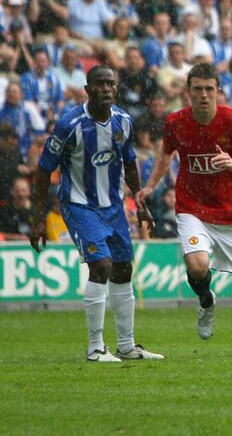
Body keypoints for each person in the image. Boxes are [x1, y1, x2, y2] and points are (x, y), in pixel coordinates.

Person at [135, 63, 232, 358]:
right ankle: (206, 300)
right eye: (198, 89)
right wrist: (150, 186)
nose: (204, 95)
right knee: (197, 266)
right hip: (192, 207)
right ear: (188, 92)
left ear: (217, 91)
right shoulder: (175, 122)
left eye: (210, 89)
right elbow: (166, 154)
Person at [29, 66, 163, 362]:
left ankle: (126, 345)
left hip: (113, 207)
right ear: (87, 90)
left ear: (116, 89)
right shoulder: (70, 125)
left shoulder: (124, 121)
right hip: (79, 205)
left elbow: (129, 164)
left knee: (123, 268)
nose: (105, 89)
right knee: (101, 265)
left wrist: (141, 205)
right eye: (99, 84)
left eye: (110, 84)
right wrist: (37, 218)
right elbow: (43, 171)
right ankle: (95, 347)